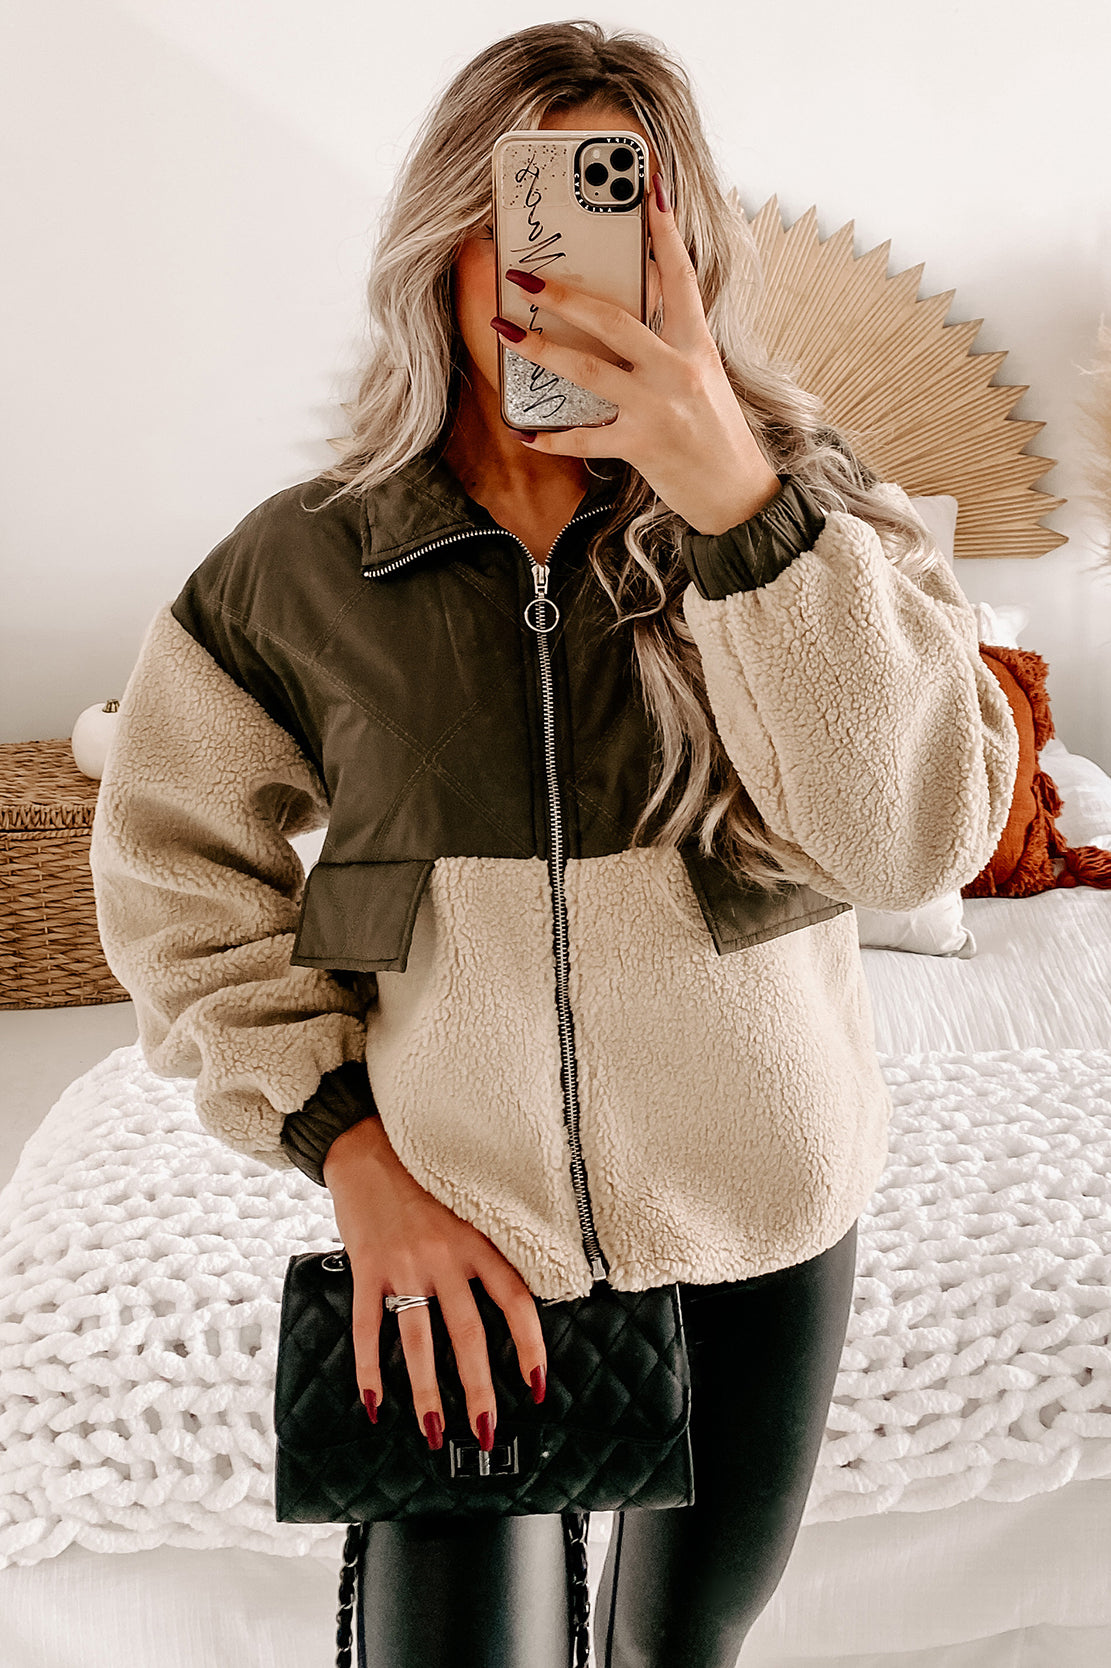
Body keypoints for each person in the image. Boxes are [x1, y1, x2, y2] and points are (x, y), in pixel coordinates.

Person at [89, 18, 1019, 1668]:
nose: (558, 269)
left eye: (616, 214)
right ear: (445, 237)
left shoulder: (808, 512)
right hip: (460, 1228)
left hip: (764, 1218)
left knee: (677, 1651)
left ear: (686, 250)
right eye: (527, 210)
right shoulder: (306, 566)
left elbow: (913, 845)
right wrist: (351, 1156)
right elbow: (174, 880)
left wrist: (741, 506)